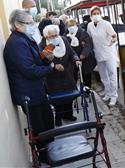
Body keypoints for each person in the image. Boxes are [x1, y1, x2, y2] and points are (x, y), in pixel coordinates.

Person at [4, 9, 54, 163]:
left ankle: (51, 152)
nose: (33, 25)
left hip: (36, 92)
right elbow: (29, 70)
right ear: (18, 24)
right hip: (29, 95)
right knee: (40, 129)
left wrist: (45, 58)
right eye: (29, 22)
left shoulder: (25, 38)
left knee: (47, 124)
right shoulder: (16, 43)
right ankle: (46, 158)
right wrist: (49, 67)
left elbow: (35, 60)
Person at [40, 25, 81, 126]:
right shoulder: (43, 45)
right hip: (53, 78)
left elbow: (71, 52)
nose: (55, 38)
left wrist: (76, 59)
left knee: (69, 95)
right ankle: (58, 117)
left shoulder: (63, 40)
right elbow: (41, 60)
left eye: (56, 35)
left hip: (67, 73)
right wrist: (54, 65)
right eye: (52, 36)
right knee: (57, 99)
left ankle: (68, 114)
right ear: (46, 37)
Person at [87, 6, 118, 106]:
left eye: (97, 13)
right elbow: (90, 38)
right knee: (103, 75)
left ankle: (114, 96)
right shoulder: (90, 25)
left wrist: (113, 40)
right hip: (98, 53)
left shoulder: (106, 24)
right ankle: (108, 93)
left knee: (112, 74)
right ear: (91, 15)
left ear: (100, 14)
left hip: (109, 52)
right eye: (94, 13)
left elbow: (114, 36)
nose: (96, 15)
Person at [65, 19, 96, 87]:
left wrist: (83, 54)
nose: (71, 27)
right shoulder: (66, 35)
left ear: (76, 25)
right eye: (69, 26)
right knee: (73, 75)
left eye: (72, 25)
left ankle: (87, 89)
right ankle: (74, 89)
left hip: (85, 58)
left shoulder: (83, 33)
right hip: (73, 59)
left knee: (86, 75)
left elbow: (88, 45)